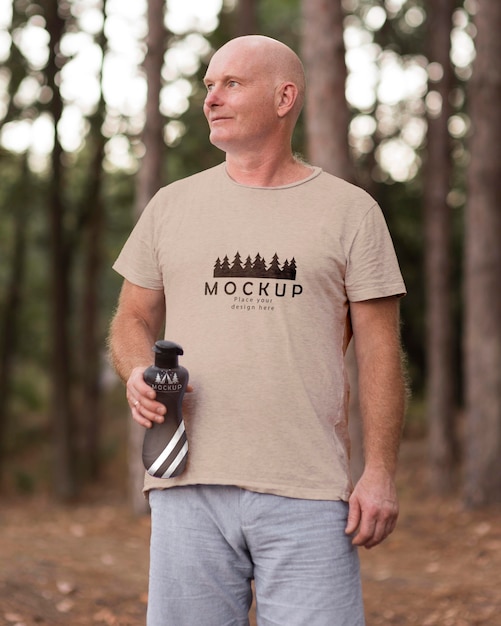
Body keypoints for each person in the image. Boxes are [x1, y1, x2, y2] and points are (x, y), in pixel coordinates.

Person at [109, 34, 407, 626]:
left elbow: (379, 350)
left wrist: (379, 473)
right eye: (207, 86)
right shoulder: (172, 205)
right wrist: (139, 369)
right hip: (185, 483)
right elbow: (131, 317)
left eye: (230, 84)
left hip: (308, 491)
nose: (210, 98)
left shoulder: (350, 211)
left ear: (284, 97)